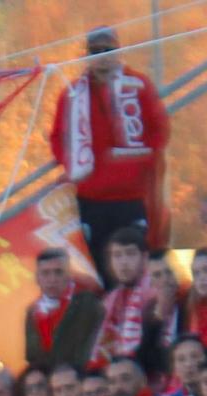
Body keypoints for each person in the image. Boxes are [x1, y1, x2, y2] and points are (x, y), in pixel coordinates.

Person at [50, 28, 170, 280]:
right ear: (86, 55)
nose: (102, 57)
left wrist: (140, 164)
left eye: (108, 50)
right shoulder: (72, 94)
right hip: (92, 199)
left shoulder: (138, 86)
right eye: (95, 52)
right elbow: (57, 138)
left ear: (119, 52)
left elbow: (160, 130)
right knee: (102, 271)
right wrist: (72, 166)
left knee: (137, 270)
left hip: (133, 197)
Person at [24, 247, 104, 371]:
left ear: (69, 275)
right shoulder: (32, 312)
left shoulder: (88, 303)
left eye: (58, 272)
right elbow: (32, 356)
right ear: (37, 278)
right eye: (46, 273)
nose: (52, 279)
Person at [93, 229, 152, 367]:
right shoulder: (109, 300)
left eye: (130, 254)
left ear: (144, 258)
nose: (123, 262)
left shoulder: (153, 291)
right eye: (117, 256)